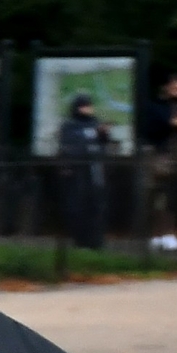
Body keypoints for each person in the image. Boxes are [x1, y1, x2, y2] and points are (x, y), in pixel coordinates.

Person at [54, 92, 112, 250]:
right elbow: (71, 146)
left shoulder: (95, 122)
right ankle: (80, 240)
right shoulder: (70, 125)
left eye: (89, 105)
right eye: (84, 106)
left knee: (97, 205)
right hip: (78, 172)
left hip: (95, 170)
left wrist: (104, 133)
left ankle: (97, 240)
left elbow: (104, 142)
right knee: (78, 206)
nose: (88, 109)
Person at [141, 74, 177, 150]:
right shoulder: (153, 105)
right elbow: (162, 122)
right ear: (165, 87)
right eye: (175, 88)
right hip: (157, 150)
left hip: (176, 150)